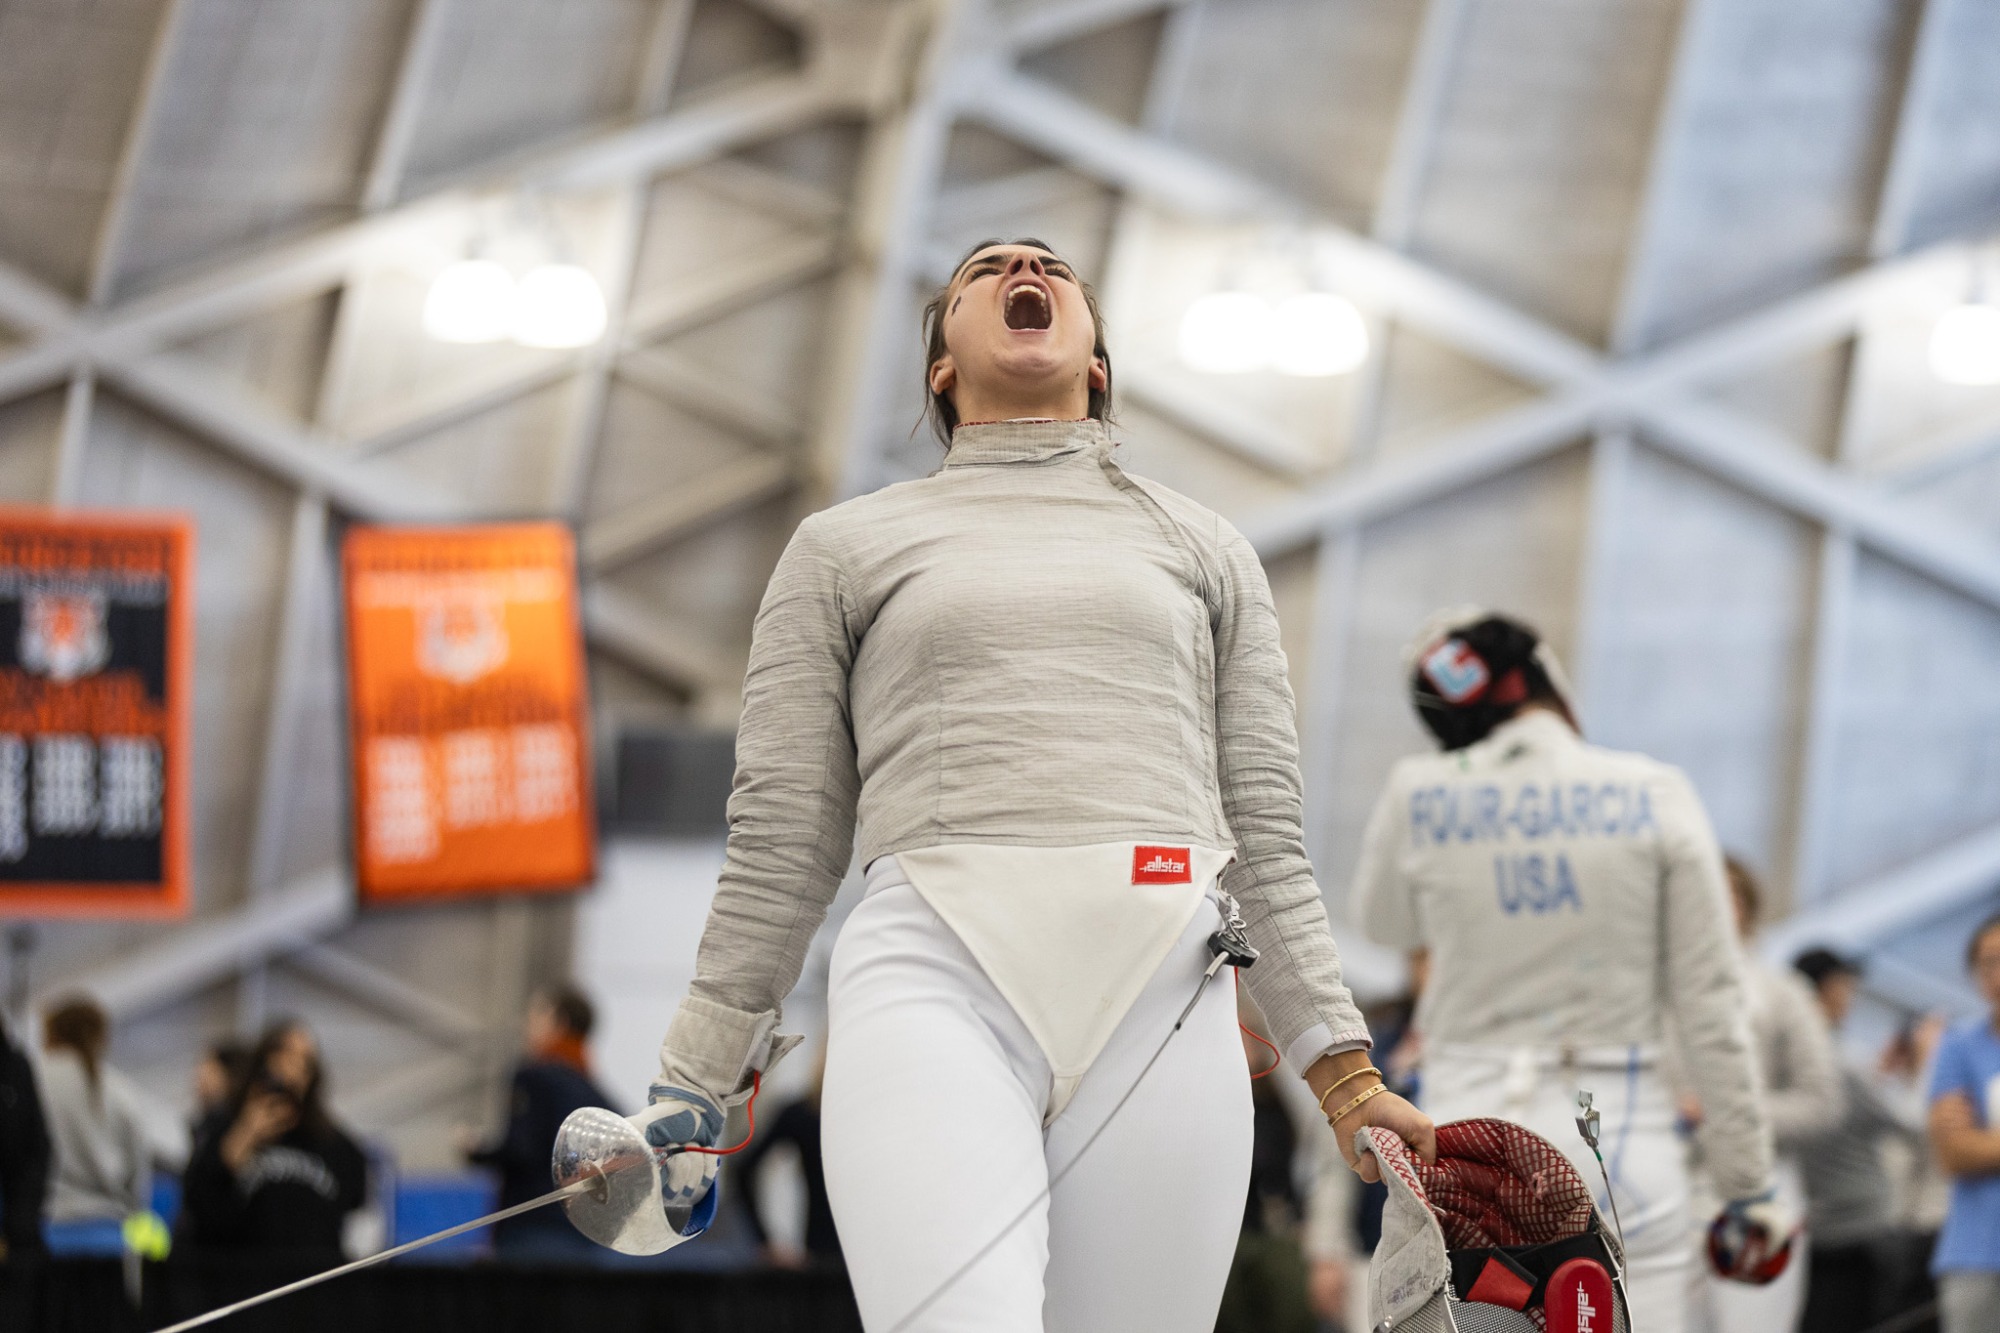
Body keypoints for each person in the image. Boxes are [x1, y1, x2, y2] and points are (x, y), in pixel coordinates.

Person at [638, 237, 1433, 1333]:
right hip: (933, 972)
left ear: (1095, 360)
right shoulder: (843, 547)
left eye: (1053, 267)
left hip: (1164, 985)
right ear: (940, 366)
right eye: (987, 268)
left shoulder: (1204, 547)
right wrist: (698, 1067)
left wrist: (1343, 1072)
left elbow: (1261, 832)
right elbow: (783, 834)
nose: (1026, 268)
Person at [1352, 608, 1778, 1333]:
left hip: (1461, 1151)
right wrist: (1748, 1183)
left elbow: (1384, 922)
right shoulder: (1655, 790)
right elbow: (1711, 1002)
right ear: (1548, 674)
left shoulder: (1418, 789)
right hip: (1617, 1143)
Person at [1697, 861, 1840, 1333]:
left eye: (1726, 894)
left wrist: (1728, 1109)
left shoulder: (1784, 996)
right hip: (1668, 1189)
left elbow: (1821, 1105)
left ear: (1748, 909)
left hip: (1757, 1191)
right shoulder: (1652, 994)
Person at [1791, 948, 1927, 1333]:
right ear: (1827, 991)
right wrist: (1924, 1067)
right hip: (1861, 1234)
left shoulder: (1787, 1060)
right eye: (1845, 988)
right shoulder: (1845, 1061)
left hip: (1808, 1233)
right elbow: (1914, 1124)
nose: (1849, 998)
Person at [181, 1020, 366, 1265]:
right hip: (244, 1280)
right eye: (286, 1055)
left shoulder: (335, 1143)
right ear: (264, 1059)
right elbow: (199, 1207)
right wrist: (243, 1137)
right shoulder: (224, 1129)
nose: (293, 1068)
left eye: (305, 1061)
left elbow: (357, 1211)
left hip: (314, 1282)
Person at [463, 984, 617, 1263]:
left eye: (536, 1013)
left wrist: (477, 1150)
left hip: (529, 1235)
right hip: (585, 1242)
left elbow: (521, 1149)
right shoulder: (600, 1098)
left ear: (560, 1022)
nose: (526, 1024)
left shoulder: (533, 1078)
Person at [1926, 911, 2000, 1333]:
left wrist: (1984, 1141)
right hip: (1975, 1250)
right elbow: (1953, 1152)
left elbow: (1971, 1143)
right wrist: (1967, 1145)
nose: (1997, 973)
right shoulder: (1958, 1046)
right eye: (1987, 962)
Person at [38, 996, 151, 1254]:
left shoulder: (34, 1080)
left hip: (47, 1234)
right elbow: (139, 1172)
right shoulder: (120, 1090)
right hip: (110, 1241)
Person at [734, 1050, 840, 1268]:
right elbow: (742, 1171)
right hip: (833, 1259)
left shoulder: (805, 1112)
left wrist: (765, 1240)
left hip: (824, 1256)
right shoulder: (807, 1113)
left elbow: (743, 1170)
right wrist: (767, 1242)